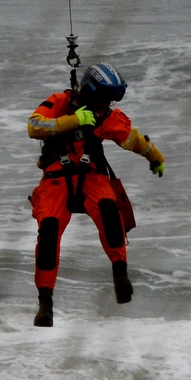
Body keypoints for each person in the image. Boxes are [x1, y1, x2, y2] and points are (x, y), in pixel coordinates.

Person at [27, 62, 165, 327]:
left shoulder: (104, 116)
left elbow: (132, 138)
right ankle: (45, 302)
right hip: (55, 179)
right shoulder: (60, 102)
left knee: (109, 212)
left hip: (91, 175)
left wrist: (154, 156)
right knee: (49, 230)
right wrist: (74, 120)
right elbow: (34, 126)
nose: (108, 105)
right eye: (105, 98)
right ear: (91, 92)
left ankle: (120, 275)